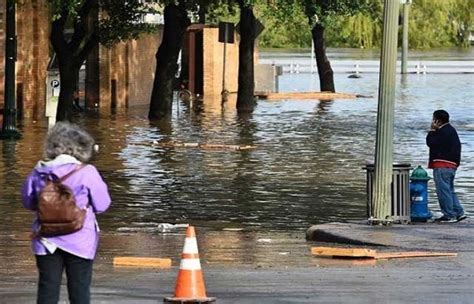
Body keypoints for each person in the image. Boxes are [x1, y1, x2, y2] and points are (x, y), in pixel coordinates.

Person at [21, 122, 111, 304]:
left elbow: (28, 202)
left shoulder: (38, 172)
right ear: (80, 146)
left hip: (45, 239)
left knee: (47, 289)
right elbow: (102, 205)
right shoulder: (88, 172)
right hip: (80, 239)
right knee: (79, 290)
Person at [426, 110, 467, 223]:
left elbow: (431, 143)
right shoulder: (451, 130)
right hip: (452, 165)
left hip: (442, 164)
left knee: (443, 190)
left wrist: (432, 130)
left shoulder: (441, 131)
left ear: (437, 120)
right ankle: (458, 212)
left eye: (433, 119)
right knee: (449, 190)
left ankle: (448, 214)